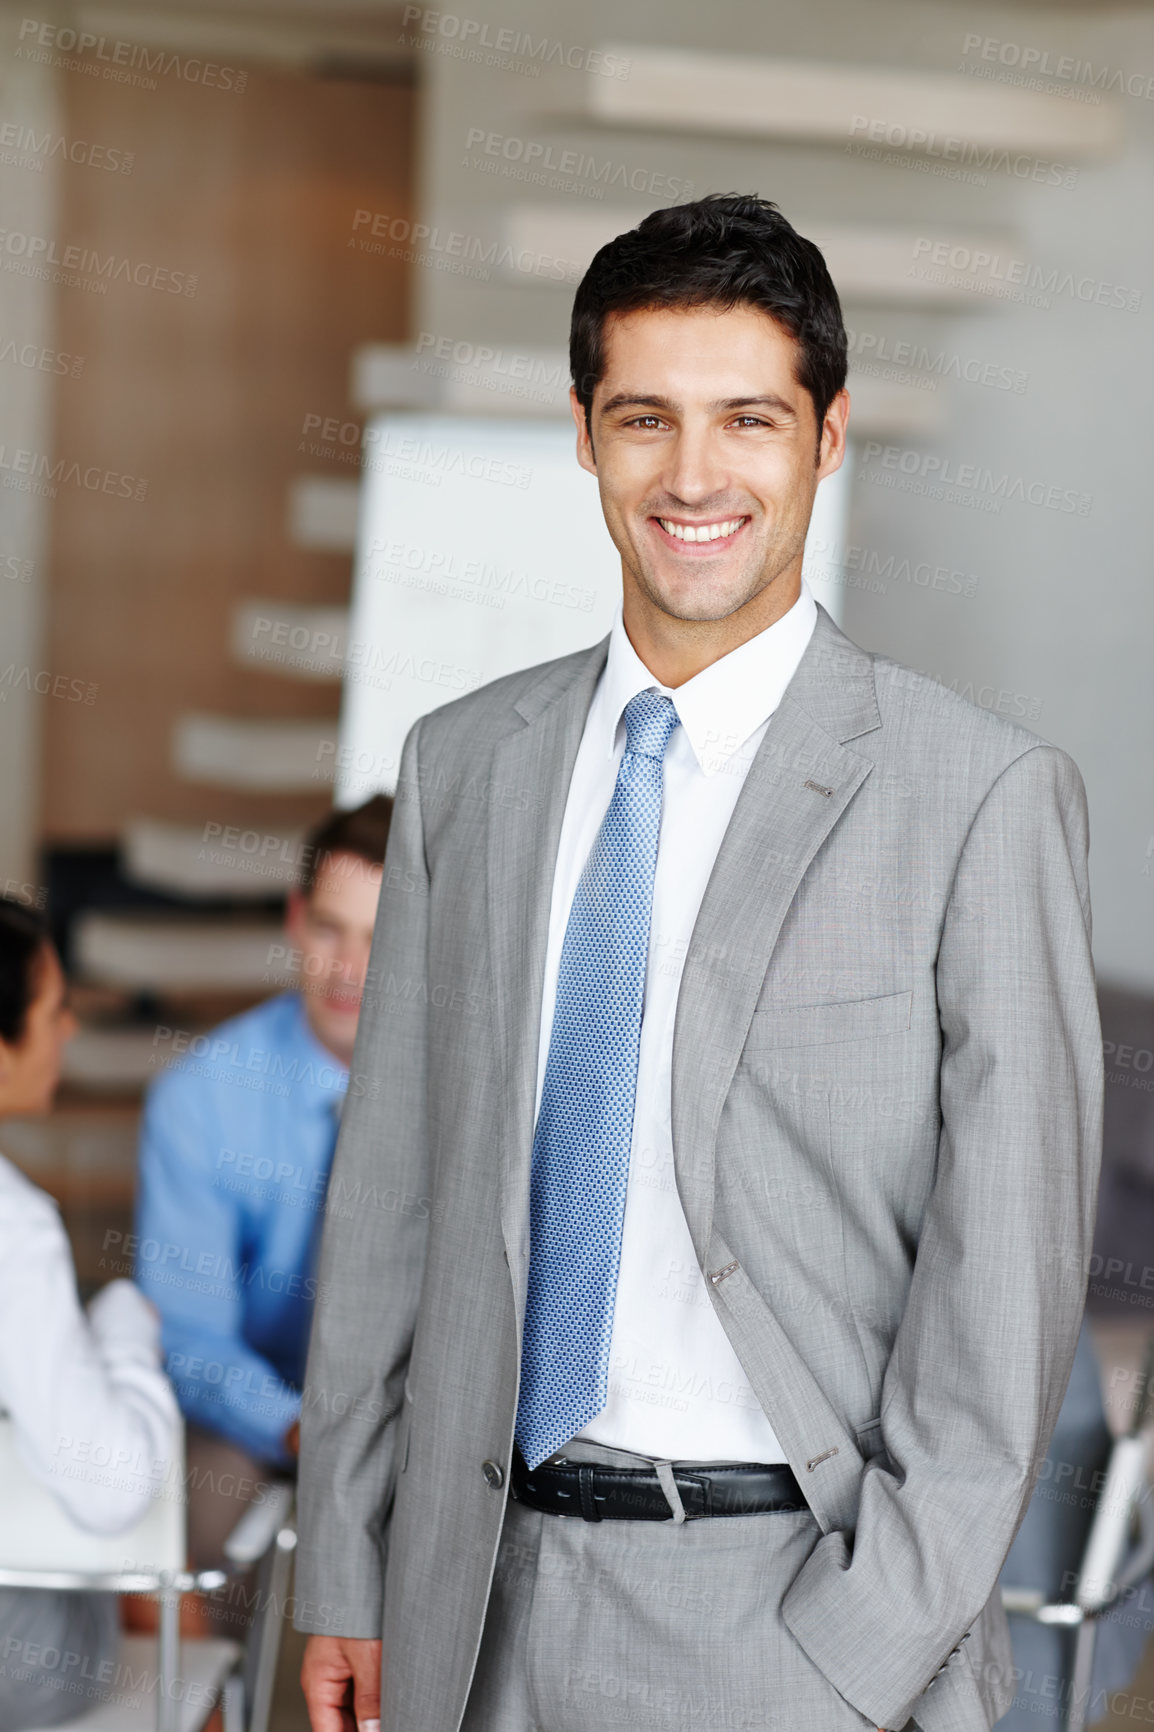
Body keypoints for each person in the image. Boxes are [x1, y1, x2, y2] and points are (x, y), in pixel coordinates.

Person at [294, 195, 1102, 1732]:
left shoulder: (978, 795)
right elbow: (388, 1195)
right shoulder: (462, 766)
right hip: (476, 1604)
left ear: (828, 436)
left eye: (748, 419)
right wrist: (349, 1560)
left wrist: (864, 1646)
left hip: (795, 1614)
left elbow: (1000, 1291)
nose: (693, 474)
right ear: (586, 438)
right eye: (644, 418)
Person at [134, 795, 390, 1570]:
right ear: (293, 918)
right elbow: (190, 1336)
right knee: (195, 1527)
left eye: (382, 939)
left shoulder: (473, 1093)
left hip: (403, 1421)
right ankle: (203, 1694)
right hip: (255, 1410)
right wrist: (295, 1427)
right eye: (329, 928)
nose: (348, 969)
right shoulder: (200, 1097)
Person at [0, 897, 178, 1729]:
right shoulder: (13, 1222)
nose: (70, 1032)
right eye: (56, 1009)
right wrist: (123, 1325)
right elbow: (110, 1485)